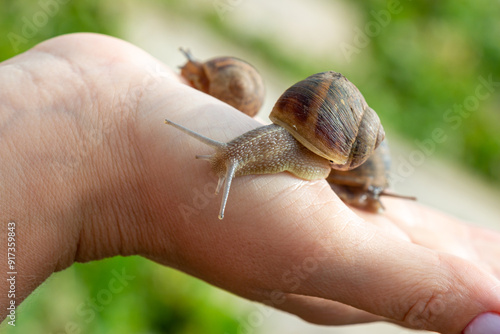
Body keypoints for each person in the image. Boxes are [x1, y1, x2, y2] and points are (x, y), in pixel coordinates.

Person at [0, 33, 499, 334]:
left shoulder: (317, 151)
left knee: (254, 150)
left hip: (304, 149)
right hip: (296, 145)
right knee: (248, 150)